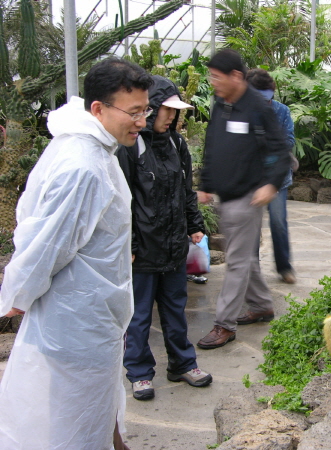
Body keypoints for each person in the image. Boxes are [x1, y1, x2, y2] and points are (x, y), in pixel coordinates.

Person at [0, 57, 152, 449]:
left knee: (97, 411)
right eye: (133, 112)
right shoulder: (84, 166)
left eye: (145, 110)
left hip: (90, 316)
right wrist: (17, 296)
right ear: (98, 109)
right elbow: (48, 244)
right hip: (76, 323)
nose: (141, 121)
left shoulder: (94, 150)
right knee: (77, 422)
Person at [116, 75, 212, 401]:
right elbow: (122, 200)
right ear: (152, 107)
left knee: (175, 309)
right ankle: (140, 373)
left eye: (175, 112)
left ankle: (183, 364)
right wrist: (129, 243)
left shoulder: (177, 145)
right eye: (166, 110)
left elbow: (187, 191)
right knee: (140, 315)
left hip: (173, 246)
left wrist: (194, 225)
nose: (171, 117)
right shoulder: (130, 148)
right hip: (142, 251)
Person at [196, 49, 289, 350]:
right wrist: (206, 184)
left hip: (248, 198)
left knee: (236, 261)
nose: (213, 82)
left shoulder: (258, 108)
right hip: (226, 195)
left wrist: (271, 184)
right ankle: (262, 305)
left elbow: (282, 151)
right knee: (245, 257)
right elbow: (213, 143)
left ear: (236, 76)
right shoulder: (221, 104)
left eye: (216, 76)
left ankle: (225, 324)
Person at [246, 68, 297, 284]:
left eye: (268, 98)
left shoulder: (282, 111)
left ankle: (284, 267)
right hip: (251, 179)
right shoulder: (243, 111)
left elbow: (289, 140)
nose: (265, 103)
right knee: (251, 227)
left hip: (277, 179)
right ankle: (252, 269)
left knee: (278, 222)